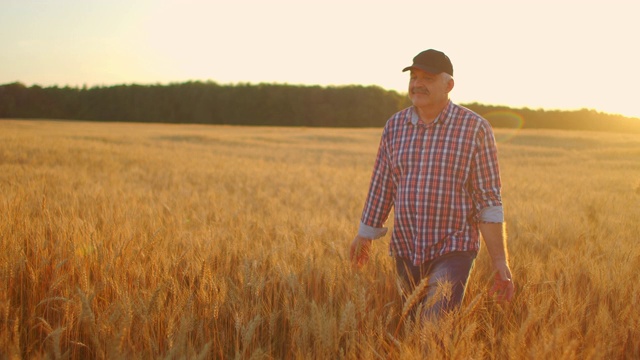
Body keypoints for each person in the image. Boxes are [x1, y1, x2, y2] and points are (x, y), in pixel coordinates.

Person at [349, 49, 514, 320]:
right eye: (414, 77)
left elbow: (488, 201)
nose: (417, 84)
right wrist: (365, 234)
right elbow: (382, 186)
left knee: (434, 324)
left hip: (454, 247)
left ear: (449, 85)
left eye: (427, 77)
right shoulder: (395, 126)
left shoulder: (475, 128)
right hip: (406, 246)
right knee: (412, 324)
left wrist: (499, 261)